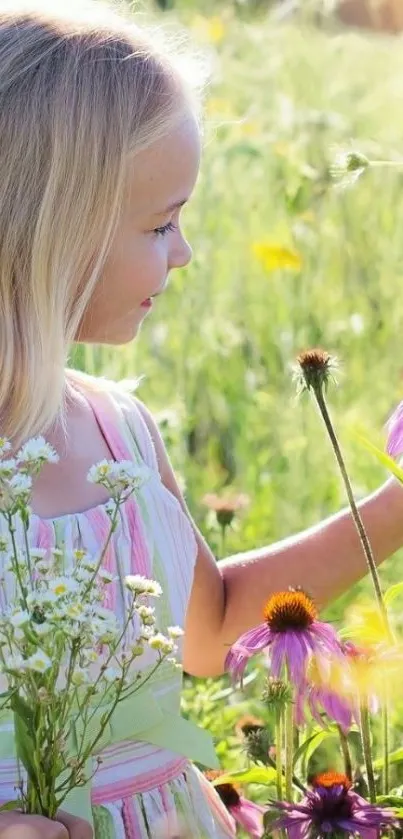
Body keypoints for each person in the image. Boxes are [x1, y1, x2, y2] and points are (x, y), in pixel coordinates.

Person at [0, 1, 402, 837]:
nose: (182, 252)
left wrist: (394, 505)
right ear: (46, 228)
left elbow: (210, 631)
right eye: (160, 223)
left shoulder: (122, 432)